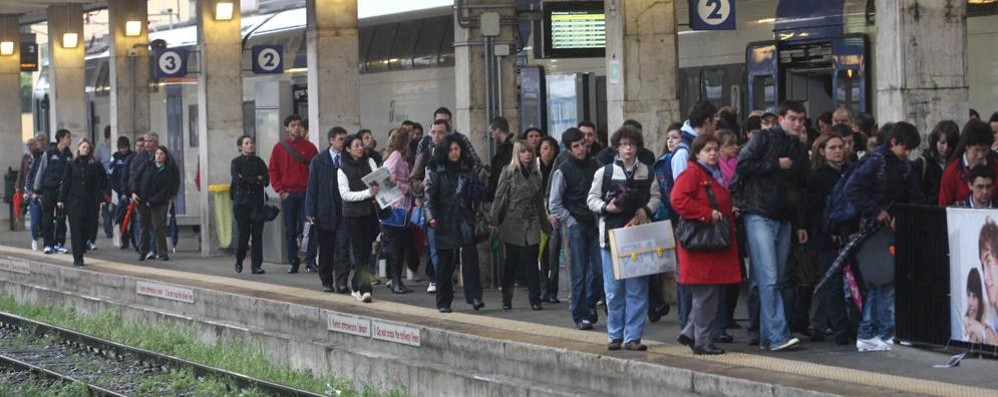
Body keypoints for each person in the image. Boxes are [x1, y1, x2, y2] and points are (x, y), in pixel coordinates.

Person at [731, 100, 810, 352]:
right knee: (770, 277)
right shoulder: (764, 140)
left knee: (772, 278)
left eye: (801, 119)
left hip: (782, 216)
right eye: (793, 119)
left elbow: (799, 189)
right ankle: (776, 335)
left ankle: (769, 336)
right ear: (781, 118)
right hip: (759, 213)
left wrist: (799, 222)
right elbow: (741, 165)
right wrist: (775, 164)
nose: (798, 124)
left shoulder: (798, 149)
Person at [845, 122, 923, 352]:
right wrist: (878, 211)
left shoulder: (899, 165)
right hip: (873, 230)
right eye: (905, 148)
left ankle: (874, 332)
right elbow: (851, 190)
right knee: (883, 282)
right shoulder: (876, 162)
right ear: (894, 142)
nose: (907, 154)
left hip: (887, 229)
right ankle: (880, 331)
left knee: (883, 283)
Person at [587, 125, 661, 351]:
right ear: (617, 147)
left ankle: (633, 337)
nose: (628, 149)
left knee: (637, 289)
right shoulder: (605, 172)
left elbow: (656, 196)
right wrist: (606, 208)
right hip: (610, 237)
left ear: (637, 147)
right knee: (613, 289)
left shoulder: (647, 172)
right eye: (623, 145)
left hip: (638, 236)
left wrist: (646, 210)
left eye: (632, 144)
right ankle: (615, 335)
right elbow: (591, 199)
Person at [671, 134, 741, 355]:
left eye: (715, 149)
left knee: (708, 294)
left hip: (709, 243)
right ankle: (702, 341)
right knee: (706, 296)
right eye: (708, 150)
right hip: (702, 244)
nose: (713, 153)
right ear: (697, 153)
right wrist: (707, 213)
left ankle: (691, 333)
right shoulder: (693, 173)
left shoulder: (710, 173)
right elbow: (678, 200)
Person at [424, 133, 486, 312]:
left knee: (470, 258)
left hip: (464, 217)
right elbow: (429, 196)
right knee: (445, 262)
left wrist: (478, 185)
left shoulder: (467, 168)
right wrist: (431, 217)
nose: (454, 153)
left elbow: (476, 193)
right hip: (443, 218)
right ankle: (443, 301)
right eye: (451, 149)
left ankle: (474, 296)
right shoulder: (436, 169)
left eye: (457, 149)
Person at [802, 132, 852, 344]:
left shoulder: (850, 173)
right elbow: (811, 209)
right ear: (822, 151)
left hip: (849, 233)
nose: (838, 151)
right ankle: (836, 327)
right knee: (830, 282)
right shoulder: (818, 176)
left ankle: (832, 325)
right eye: (832, 148)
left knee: (847, 284)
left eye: (840, 147)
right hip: (826, 236)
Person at [550, 128, 602, 328]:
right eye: (576, 146)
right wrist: (570, 220)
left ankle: (589, 304)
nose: (581, 149)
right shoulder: (562, 171)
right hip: (576, 226)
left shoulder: (596, 165)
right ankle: (580, 314)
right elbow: (554, 203)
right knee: (578, 271)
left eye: (583, 144)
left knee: (599, 270)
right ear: (569, 150)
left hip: (595, 223)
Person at [491, 140, 551, 311]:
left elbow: (539, 202)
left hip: (532, 219)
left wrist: (545, 225)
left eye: (530, 152)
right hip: (512, 220)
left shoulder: (536, 174)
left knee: (532, 259)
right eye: (523, 152)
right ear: (517, 154)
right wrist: (494, 220)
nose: (527, 155)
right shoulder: (508, 172)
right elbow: (498, 195)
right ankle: (507, 298)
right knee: (511, 261)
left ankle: (535, 298)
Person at [269, 114, 319, 273]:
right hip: (288, 193)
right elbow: (273, 170)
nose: (296, 128)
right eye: (292, 125)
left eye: (298, 125)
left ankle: (310, 260)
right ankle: (293, 260)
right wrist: (280, 190)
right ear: (286, 128)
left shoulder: (310, 147)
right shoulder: (279, 148)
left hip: (306, 193)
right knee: (290, 229)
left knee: (309, 227)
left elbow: (317, 171)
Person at [306, 127, 351, 293]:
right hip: (324, 210)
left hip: (344, 210)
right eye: (340, 139)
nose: (344, 142)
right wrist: (310, 211)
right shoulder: (318, 161)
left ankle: (342, 281)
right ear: (331, 140)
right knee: (326, 249)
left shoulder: (348, 159)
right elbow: (312, 187)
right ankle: (326, 280)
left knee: (343, 247)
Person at [337, 134, 380, 303]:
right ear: (348, 149)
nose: (360, 148)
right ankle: (365, 288)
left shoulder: (370, 162)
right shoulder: (342, 169)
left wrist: (380, 189)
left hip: (370, 213)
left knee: (367, 250)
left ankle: (355, 284)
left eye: (361, 145)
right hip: (352, 216)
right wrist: (367, 193)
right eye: (356, 145)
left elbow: (378, 180)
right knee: (359, 253)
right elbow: (345, 194)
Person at [57, 139, 107, 267]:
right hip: (74, 202)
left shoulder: (94, 165)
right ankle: (78, 258)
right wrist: (61, 199)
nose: (85, 149)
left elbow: (98, 184)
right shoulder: (71, 164)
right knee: (76, 230)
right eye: (83, 147)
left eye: (88, 148)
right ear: (78, 148)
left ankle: (83, 245)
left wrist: (101, 198)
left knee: (88, 228)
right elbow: (66, 182)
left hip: (89, 201)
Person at [382, 126, 415, 294]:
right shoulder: (396, 157)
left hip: (401, 207)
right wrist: (406, 187)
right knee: (396, 247)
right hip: (397, 207)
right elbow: (388, 178)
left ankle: (397, 280)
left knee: (399, 246)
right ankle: (395, 280)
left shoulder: (396, 156)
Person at [230, 135, 269, 274]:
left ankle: (256, 265)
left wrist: (251, 180)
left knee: (257, 234)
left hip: (257, 202)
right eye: (247, 143)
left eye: (251, 143)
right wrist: (254, 180)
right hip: (241, 203)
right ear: (240, 147)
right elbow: (237, 180)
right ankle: (239, 259)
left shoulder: (259, 161)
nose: (250, 145)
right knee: (244, 234)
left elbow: (265, 179)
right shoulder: (236, 162)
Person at [939, 120, 998, 207]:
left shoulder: (996, 167)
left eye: (985, 150)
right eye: (976, 150)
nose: (980, 155)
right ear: (966, 146)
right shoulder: (951, 172)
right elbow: (944, 207)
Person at [33, 129, 74, 255]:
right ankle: (48, 244)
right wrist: (36, 190)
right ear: (61, 139)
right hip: (49, 190)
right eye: (68, 137)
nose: (70, 140)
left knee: (61, 218)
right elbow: (41, 171)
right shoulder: (49, 153)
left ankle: (59, 243)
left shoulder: (69, 156)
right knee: (48, 218)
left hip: (62, 192)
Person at [136, 146, 179, 262]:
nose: (158, 156)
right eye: (157, 154)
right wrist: (134, 192)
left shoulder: (168, 170)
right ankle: (143, 251)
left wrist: (153, 200)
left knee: (159, 226)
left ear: (165, 156)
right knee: (144, 227)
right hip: (143, 201)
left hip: (159, 203)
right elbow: (136, 178)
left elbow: (165, 189)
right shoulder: (147, 166)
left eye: (161, 154)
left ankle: (162, 252)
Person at [537, 135, 561, 303]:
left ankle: (552, 291)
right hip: (539, 215)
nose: (549, 151)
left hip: (555, 215)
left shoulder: (558, 167)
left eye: (552, 148)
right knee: (541, 255)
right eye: (545, 148)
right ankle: (543, 289)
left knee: (554, 253)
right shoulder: (534, 168)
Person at [914, 121, 960, 204]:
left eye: (950, 144)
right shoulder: (922, 164)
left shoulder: (957, 165)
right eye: (942, 142)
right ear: (935, 140)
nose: (945, 148)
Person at [672, 101, 717, 181]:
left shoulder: (703, 143)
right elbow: (682, 186)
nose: (715, 126)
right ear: (707, 121)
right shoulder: (683, 152)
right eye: (714, 121)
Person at [969, 223, 998, 345]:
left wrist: (984, 333)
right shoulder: (989, 317)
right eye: (983, 266)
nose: (985, 276)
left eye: (989, 262)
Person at [108, 136, 134, 249]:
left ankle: (134, 238)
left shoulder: (133, 156)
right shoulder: (115, 157)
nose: (123, 150)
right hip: (120, 192)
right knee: (122, 217)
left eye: (125, 147)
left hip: (131, 190)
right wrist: (118, 189)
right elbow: (111, 174)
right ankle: (124, 240)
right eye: (121, 148)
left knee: (133, 217)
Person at [487, 116, 515, 201]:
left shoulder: (510, 147)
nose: (491, 136)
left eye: (491, 132)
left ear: (498, 130)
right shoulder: (505, 146)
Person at [16, 137, 37, 248]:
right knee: (26, 209)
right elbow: (21, 172)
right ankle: (34, 236)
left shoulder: (39, 156)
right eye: (28, 144)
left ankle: (38, 232)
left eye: (31, 144)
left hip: (36, 189)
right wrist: (18, 186)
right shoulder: (25, 157)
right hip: (26, 188)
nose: (29, 146)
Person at [964, 268, 987, 343]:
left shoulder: (986, 311)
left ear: (979, 297)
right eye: (968, 295)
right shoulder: (965, 318)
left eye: (974, 296)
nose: (970, 302)